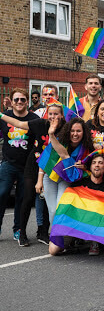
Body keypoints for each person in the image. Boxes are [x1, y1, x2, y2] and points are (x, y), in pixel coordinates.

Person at [1, 103, 65, 246]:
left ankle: (43, 232)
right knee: (28, 197)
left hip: (52, 166)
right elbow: (18, 123)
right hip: (34, 163)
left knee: (47, 199)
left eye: (56, 114)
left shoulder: (65, 129)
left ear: (61, 115)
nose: (53, 117)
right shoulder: (40, 123)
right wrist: (1, 115)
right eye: (51, 114)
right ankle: (22, 233)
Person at [38, 117, 94, 226]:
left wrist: (84, 167)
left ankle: (60, 236)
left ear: (84, 132)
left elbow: (91, 166)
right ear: (68, 132)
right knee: (53, 211)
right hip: (50, 178)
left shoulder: (87, 147)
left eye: (78, 131)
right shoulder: (58, 141)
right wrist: (39, 181)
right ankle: (56, 237)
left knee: (61, 207)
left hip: (66, 179)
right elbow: (44, 160)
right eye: (72, 131)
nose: (75, 134)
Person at [0, 88, 39, 240]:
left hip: (27, 167)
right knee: (2, 194)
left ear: (27, 101)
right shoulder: (5, 117)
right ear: (12, 101)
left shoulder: (33, 118)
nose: (19, 102)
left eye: (23, 99)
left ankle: (18, 229)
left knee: (22, 199)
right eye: (16, 99)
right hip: (8, 164)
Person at [69, 153, 104, 256]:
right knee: (54, 250)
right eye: (94, 163)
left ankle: (95, 242)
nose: (97, 165)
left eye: (100, 163)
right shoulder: (80, 183)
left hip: (98, 221)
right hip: (80, 218)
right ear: (90, 167)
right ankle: (76, 236)